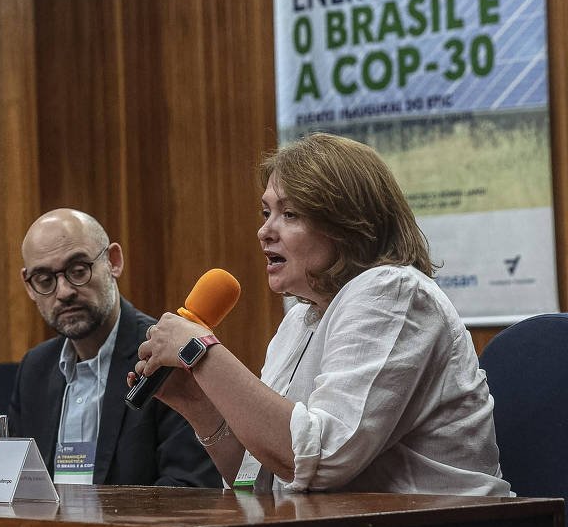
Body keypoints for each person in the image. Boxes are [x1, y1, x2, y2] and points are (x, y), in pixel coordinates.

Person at [135, 133, 510, 495]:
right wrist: (197, 403)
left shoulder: (393, 292)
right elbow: (261, 480)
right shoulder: (300, 320)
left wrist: (201, 352)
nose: (264, 231)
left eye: (290, 214)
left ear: (348, 225)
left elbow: (322, 460)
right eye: (267, 212)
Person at [8, 208, 219, 487]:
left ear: (113, 261)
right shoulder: (35, 368)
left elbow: (189, 490)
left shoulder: (166, 358)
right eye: (45, 280)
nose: (64, 292)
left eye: (78, 270)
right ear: (29, 286)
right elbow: (15, 485)